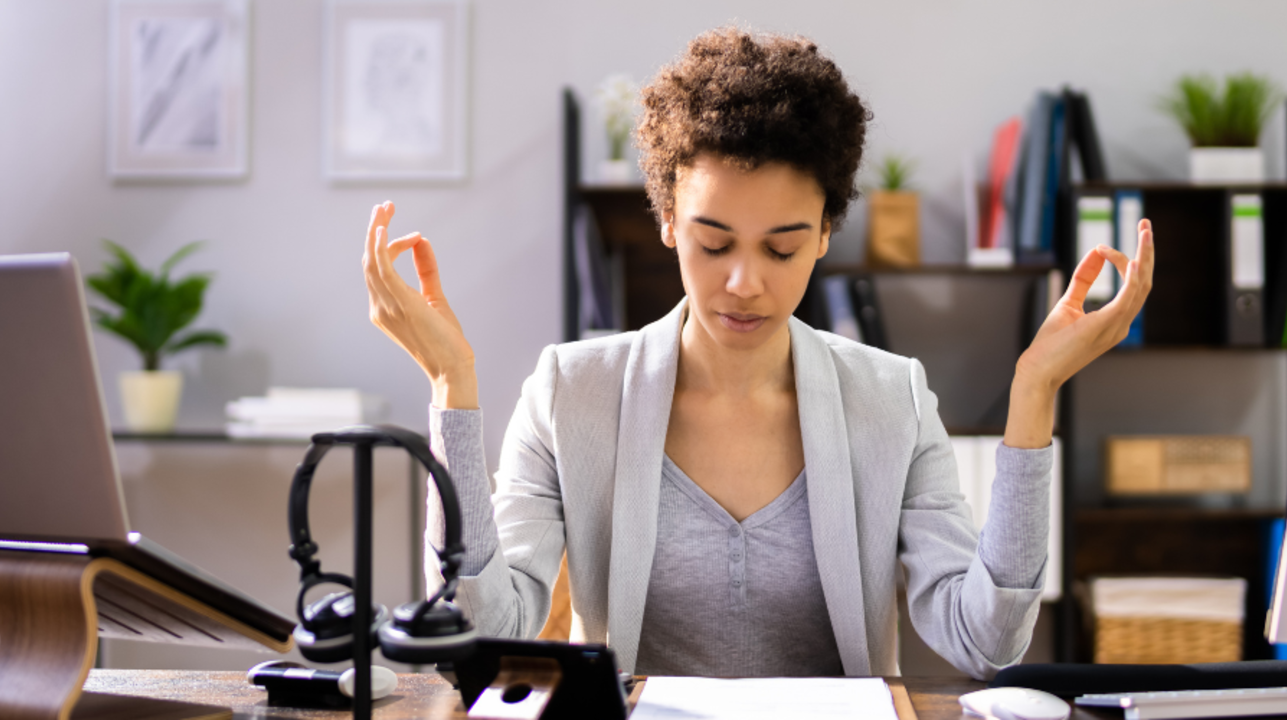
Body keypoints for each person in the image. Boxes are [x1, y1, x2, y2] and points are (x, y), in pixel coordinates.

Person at [360, 26, 1153, 680]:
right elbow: (481, 622)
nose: (744, 284)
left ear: (825, 236)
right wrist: (451, 388)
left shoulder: (891, 400)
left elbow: (985, 640)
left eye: (782, 249)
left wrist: (1034, 392)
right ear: (668, 221)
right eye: (713, 243)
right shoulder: (573, 392)